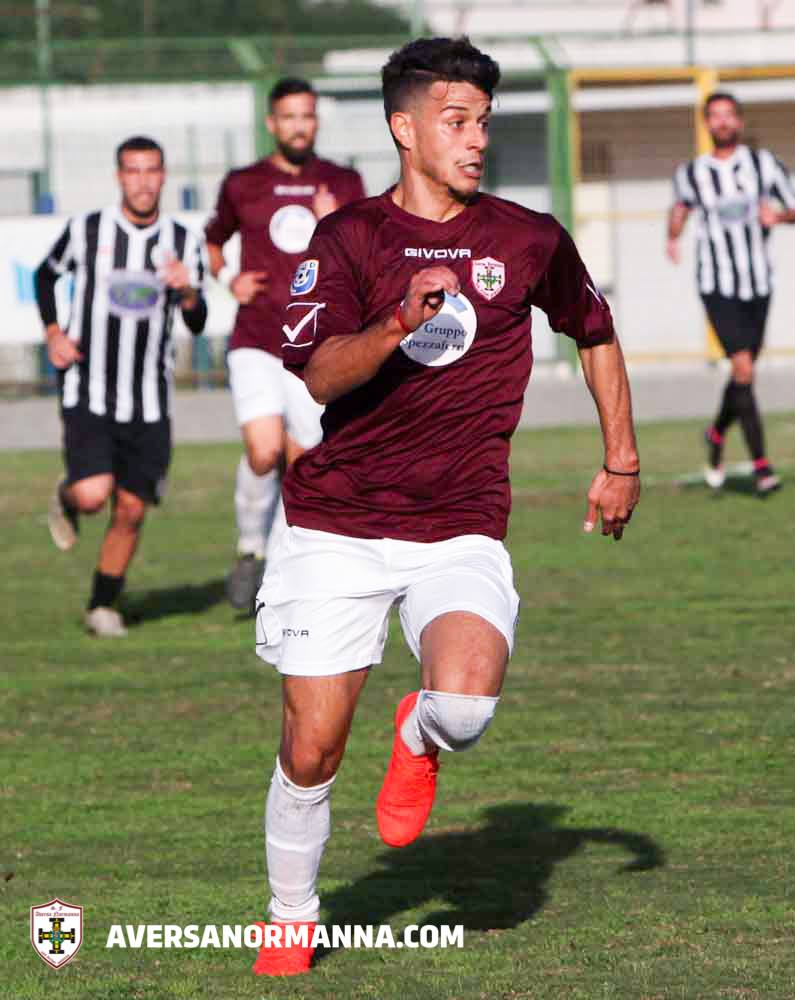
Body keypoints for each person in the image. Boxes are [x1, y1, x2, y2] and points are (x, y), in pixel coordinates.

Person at [248, 37, 640, 976]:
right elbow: (316, 374)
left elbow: (595, 330)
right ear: (404, 127)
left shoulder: (528, 237)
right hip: (335, 525)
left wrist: (620, 459)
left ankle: (416, 734)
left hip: (458, 524)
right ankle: (291, 914)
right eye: (456, 121)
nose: (475, 139)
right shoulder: (346, 241)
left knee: (463, 708)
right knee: (311, 747)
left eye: (484, 122)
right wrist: (396, 322)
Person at [204, 77, 367, 610]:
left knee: (301, 461)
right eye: (289, 117)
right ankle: (249, 546)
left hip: (315, 346)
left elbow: (366, 251)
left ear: (316, 121)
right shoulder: (243, 183)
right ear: (272, 123)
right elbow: (211, 240)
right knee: (263, 449)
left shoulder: (343, 181)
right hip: (255, 338)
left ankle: (274, 573)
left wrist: (333, 224)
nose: (300, 125)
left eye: (308, 116)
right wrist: (229, 279)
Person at [38, 136, 208, 638]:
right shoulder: (86, 230)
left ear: (163, 175)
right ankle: (69, 495)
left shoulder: (182, 240)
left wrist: (188, 290)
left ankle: (102, 605)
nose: (142, 181)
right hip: (88, 388)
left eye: (151, 170)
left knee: (131, 508)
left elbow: (197, 322)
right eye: (132, 171)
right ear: (119, 177)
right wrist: (53, 332)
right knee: (95, 495)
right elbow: (47, 277)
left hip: (150, 400)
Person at [667, 91, 795, 495]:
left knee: (743, 375)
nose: (723, 122)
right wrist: (672, 236)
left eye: (729, 116)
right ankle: (763, 467)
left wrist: (778, 215)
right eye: (715, 116)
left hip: (758, 282)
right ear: (707, 124)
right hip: (717, 284)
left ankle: (714, 433)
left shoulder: (764, 165)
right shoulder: (692, 173)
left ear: (740, 123)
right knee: (743, 370)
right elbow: (680, 207)